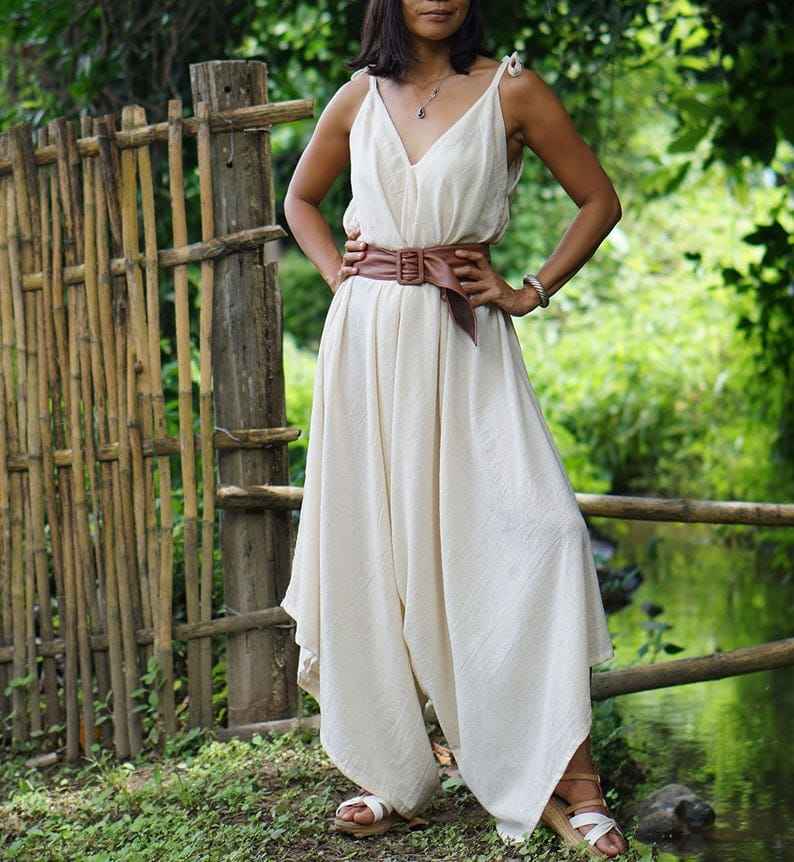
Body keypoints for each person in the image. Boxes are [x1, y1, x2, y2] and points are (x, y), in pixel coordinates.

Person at [280, 0, 627, 857]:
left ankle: (572, 776)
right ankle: (390, 769)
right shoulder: (359, 96)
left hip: (465, 340)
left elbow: (599, 201)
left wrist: (528, 291)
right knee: (377, 543)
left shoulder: (513, 90)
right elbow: (301, 201)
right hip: (367, 346)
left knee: (543, 534)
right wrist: (342, 281)